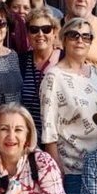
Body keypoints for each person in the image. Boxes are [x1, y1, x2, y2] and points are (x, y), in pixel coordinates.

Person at [39, 17, 97, 194]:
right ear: (63, 39)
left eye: (86, 36)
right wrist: (56, 168)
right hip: (72, 168)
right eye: (74, 35)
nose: (80, 40)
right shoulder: (53, 76)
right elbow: (48, 127)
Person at [18, 8, 61, 139]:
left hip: (59, 139)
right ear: (28, 34)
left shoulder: (65, 60)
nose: (40, 34)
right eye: (34, 30)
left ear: (54, 33)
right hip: (28, 138)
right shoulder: (21, 61)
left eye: (46, 29)